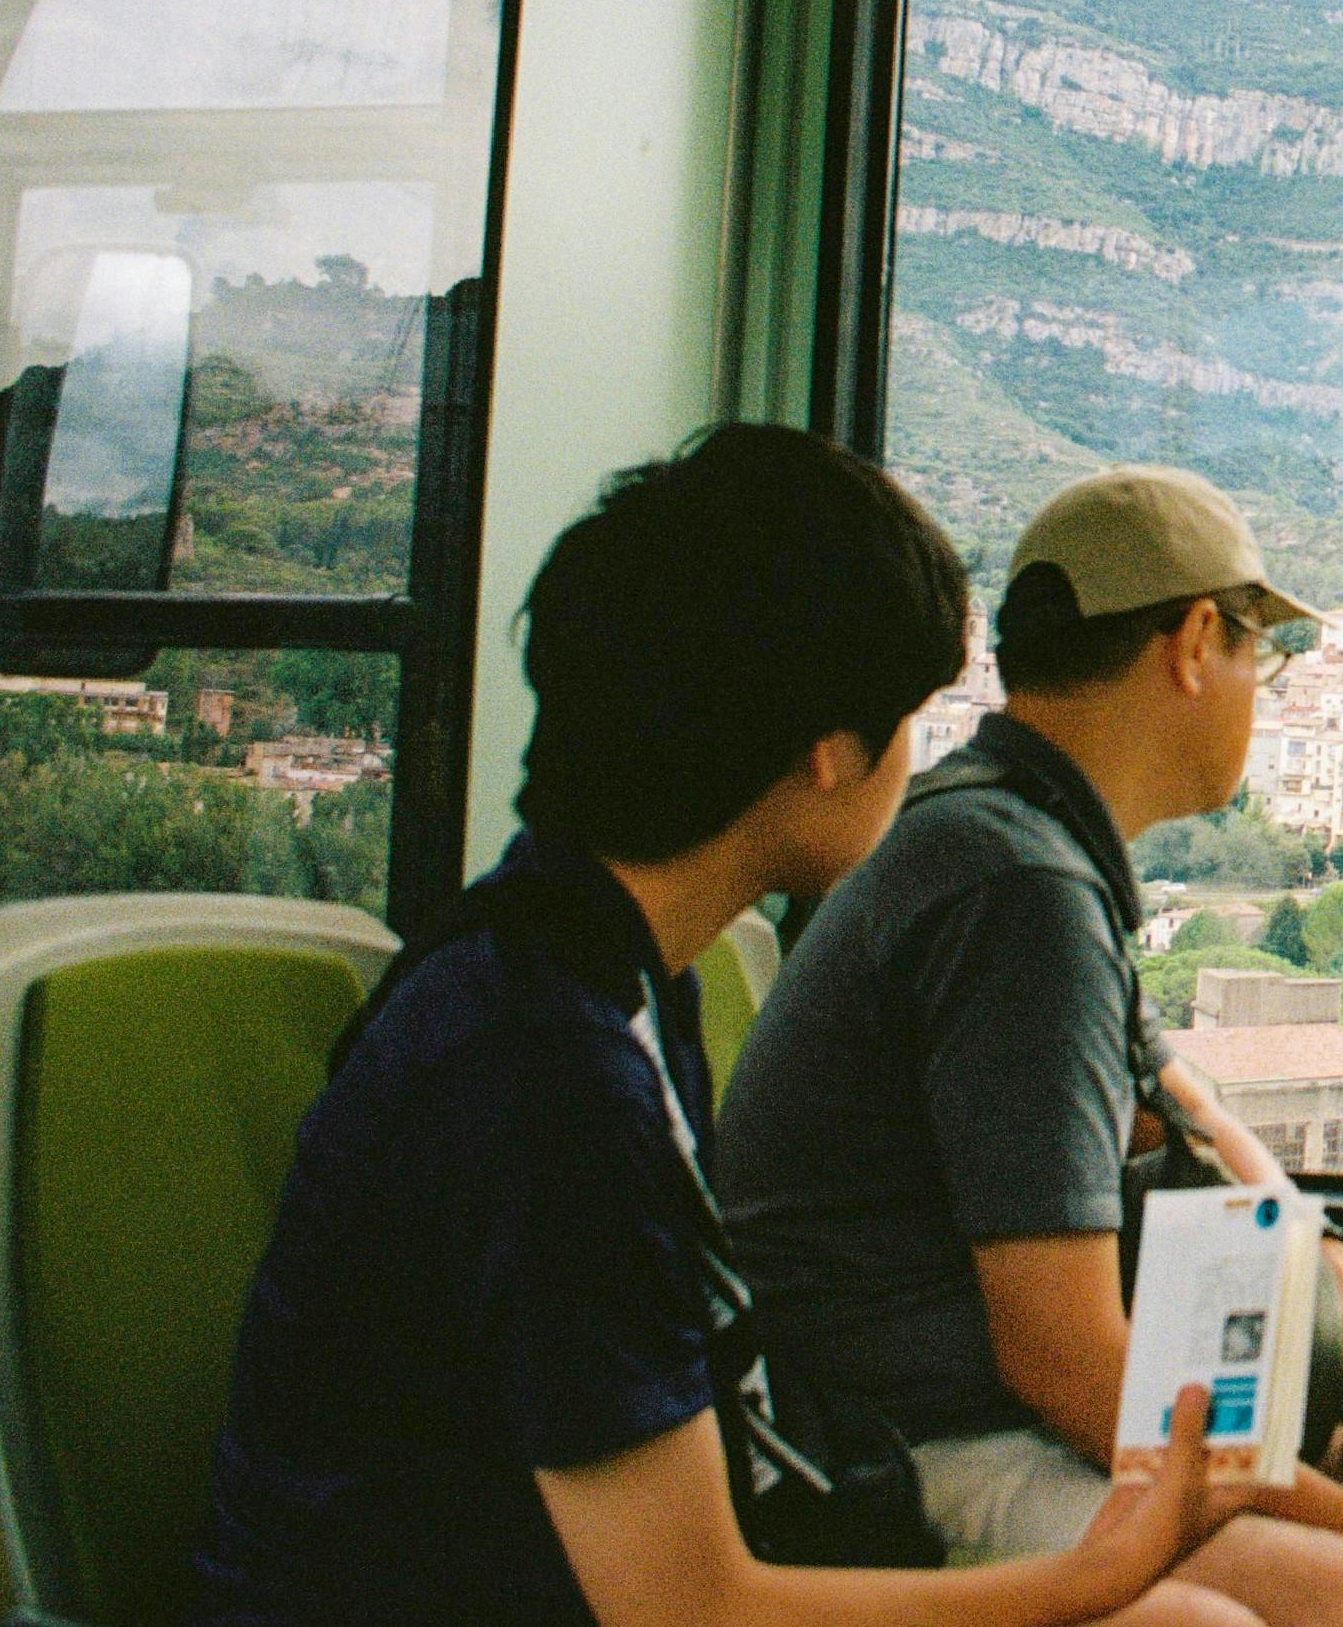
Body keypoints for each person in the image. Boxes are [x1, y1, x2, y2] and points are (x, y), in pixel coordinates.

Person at [195, 424, 1248, 1627]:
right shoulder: (545, 1075)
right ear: (829, 750)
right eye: (910, 713)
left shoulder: (598, 970)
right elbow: (689, 1606)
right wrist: (1094, 1575)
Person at [717, 465, 1343, 1627]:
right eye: (1263, 655)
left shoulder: (1013, 828)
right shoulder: (1019, 889)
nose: (1263, 689)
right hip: (894, 1442)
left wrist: (1332, 1258)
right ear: (1197, 640)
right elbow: (1065, 1359)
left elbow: (1173, 1092)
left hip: (956, 1405)